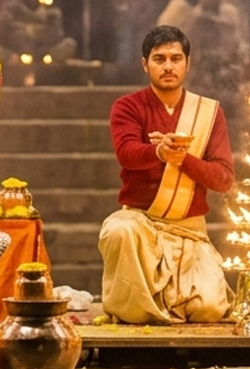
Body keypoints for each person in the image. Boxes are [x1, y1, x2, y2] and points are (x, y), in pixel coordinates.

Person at [100, 26, 235, 324]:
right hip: (141, 224)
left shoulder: (209, 112)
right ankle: (136, 310)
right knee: (118, 230)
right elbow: (127, 153)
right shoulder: (128, 106)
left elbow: (224, 179)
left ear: (188, 63)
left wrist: (183, 159)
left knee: (209, 309)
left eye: (176, 58)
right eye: (159, 59)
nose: (168, 66)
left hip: (189, 230)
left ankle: (173, 300)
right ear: (145, 64)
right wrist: (158, 153)